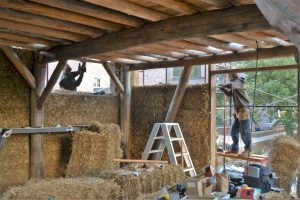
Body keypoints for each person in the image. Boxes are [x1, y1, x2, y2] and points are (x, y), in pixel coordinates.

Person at [219, 72, 251, 156]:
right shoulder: (235, 84)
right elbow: (230, 94)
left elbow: (233, 85)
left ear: (232, 75)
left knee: (244, 131)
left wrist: (225, 85)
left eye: (228, 75)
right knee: (234, 131)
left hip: (244, 110)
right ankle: (235, 149)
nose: (228, 77)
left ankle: (248, 150)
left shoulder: (239, 82)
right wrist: (223, 89)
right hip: (238, 111)